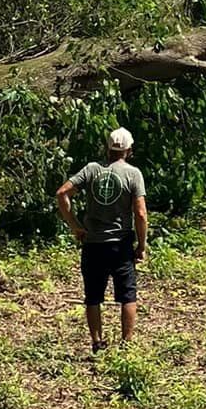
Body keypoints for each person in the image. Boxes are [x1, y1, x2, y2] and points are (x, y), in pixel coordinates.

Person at [55, 127, 148, 355]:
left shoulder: (92, 170)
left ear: (108, 148)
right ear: (129, 150)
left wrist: (75, 225)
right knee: (127, 295)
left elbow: (62, 193)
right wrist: (142, 245)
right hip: (120, 243)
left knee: (93, 295)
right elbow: (141, 213)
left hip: (93, 243)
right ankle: (126, 344)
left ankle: (97, 342)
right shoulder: (133, 174)